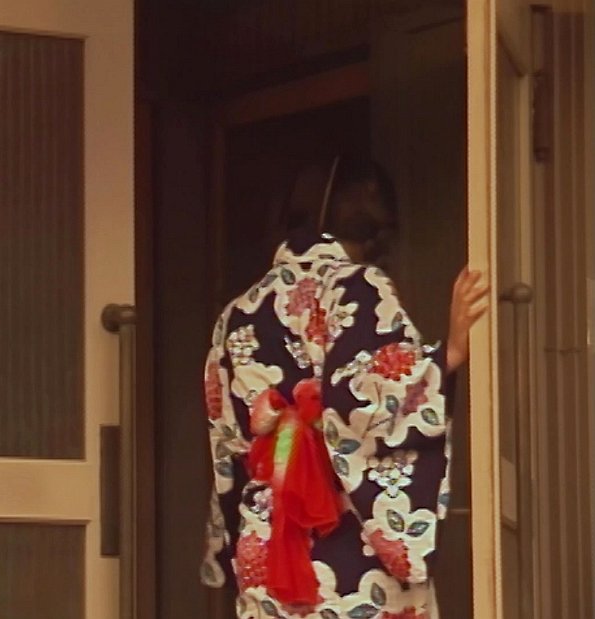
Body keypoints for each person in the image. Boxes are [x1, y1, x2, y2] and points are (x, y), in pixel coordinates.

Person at [200, 154, 488, 618]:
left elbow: (227, 445)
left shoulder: (234, 315)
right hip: (343, 542)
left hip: (269, 541)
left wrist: (230, 542)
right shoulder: (357, 286)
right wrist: (447, 357)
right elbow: (370, 402)